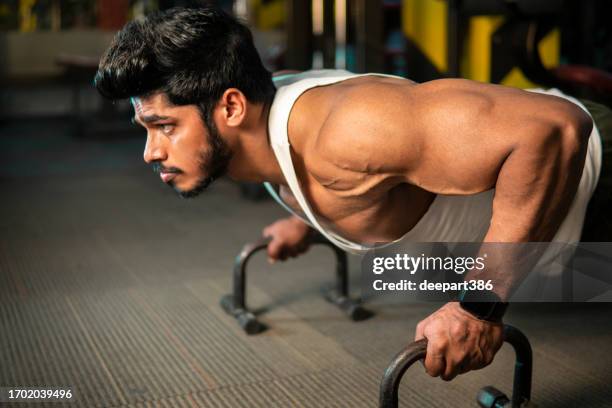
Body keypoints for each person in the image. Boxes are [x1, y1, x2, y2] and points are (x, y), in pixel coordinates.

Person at [94, 6, 610, 382]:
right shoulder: (268, 125)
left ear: (230, 108)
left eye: (163, 126)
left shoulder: (347, 131)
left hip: (593, 176)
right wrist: (306, 218)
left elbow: (555, 130)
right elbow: (351, 183)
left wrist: (479, 308)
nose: (150, 152)